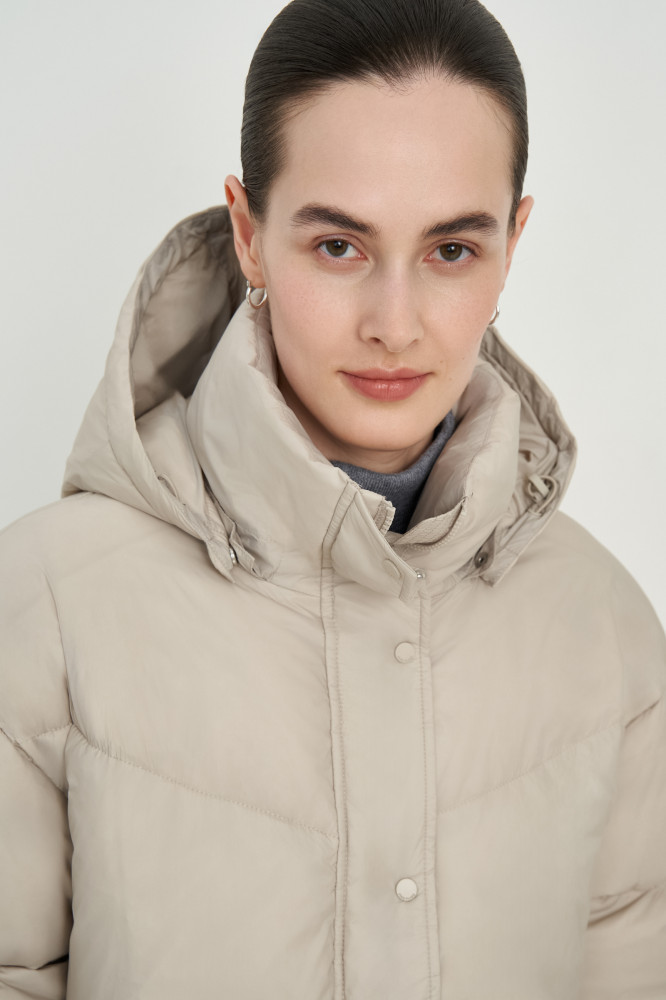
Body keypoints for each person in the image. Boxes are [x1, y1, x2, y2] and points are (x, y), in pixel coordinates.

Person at [1, 0, 664, 996]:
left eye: (451, 249)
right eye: (339, 247)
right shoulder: (44, 609)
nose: (394, 324)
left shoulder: (603, 629)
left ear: (512, 243)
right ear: (249, 235)